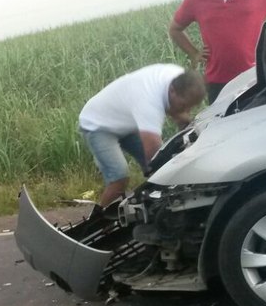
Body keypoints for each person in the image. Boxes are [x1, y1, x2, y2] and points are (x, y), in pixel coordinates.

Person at [78, 65, 206, 207]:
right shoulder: (150, 101)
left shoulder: (180, 77)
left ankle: (159, 206)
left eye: (190, 107)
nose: (186, 111)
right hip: (98, 124)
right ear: (172, 91)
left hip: (127, 121)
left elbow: (178, 112)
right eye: (183, 105)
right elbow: (153, 152)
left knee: (160, 167)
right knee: (120, 178)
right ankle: (97, 219)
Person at [169, 0, 266, 104]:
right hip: (218, 84)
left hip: (258, 78)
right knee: (224, 125)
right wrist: (194, 53)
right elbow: (175, 28)